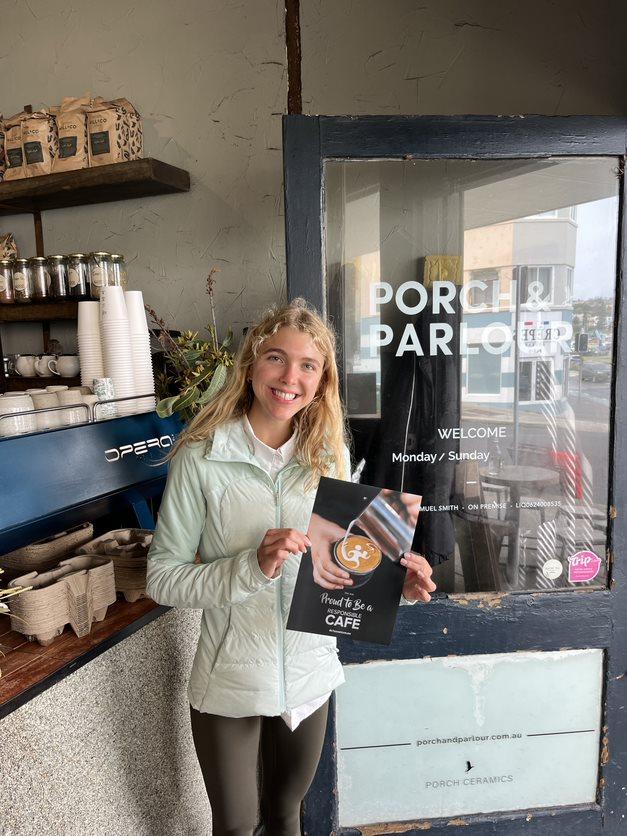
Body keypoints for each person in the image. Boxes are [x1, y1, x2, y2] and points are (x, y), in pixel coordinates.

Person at [146, 299, 436, 836]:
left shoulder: (330, 455)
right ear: (252, 364)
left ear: (322, 382)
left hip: (309, 673)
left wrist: (397, 584)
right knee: (236, 827)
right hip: (230, 676)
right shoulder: (201, 457)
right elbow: (163, 578)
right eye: (276, 358)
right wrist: (251, 566)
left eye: (308, 365)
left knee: (287, 817)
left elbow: (348, 562)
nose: (289, 378)